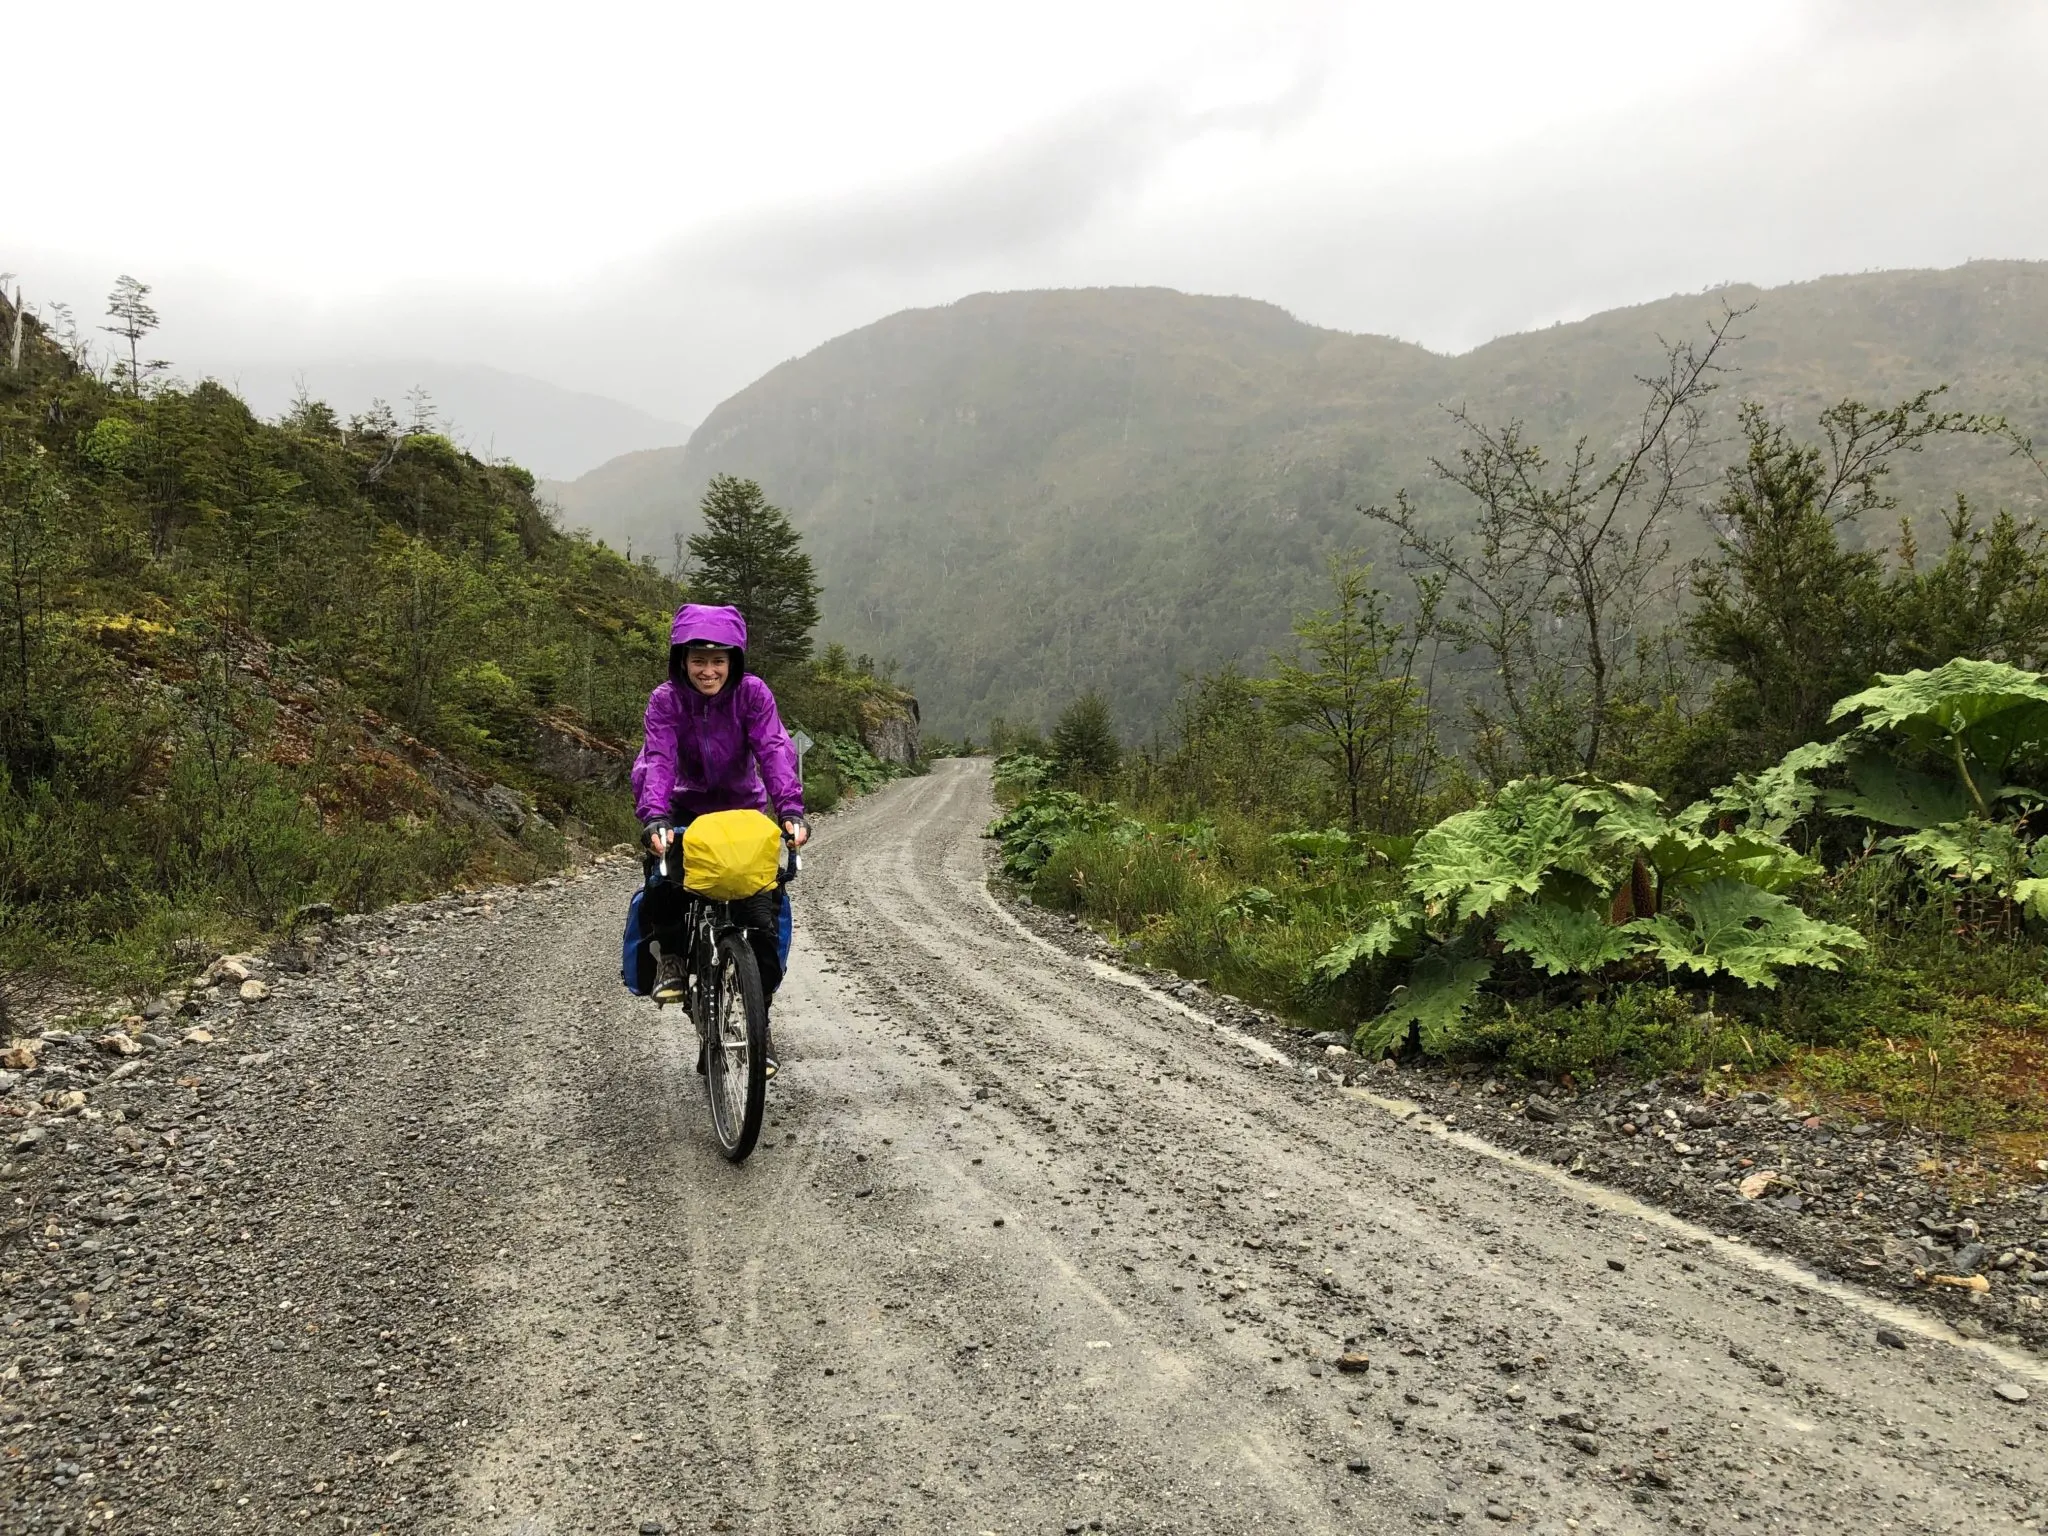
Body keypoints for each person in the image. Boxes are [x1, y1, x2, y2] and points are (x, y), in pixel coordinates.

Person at [631, 603, 809, 1073]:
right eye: (697, 660)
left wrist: (790, 811)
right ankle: (671, 958)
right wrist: (655, 817)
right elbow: (659, 759)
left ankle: (758, 1020)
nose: (708, 671)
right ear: (681, 660)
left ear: (734, 661)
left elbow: (773, 749)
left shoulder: (752, 695)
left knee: (761, 917)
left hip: (741, 810)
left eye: (718, 660)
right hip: (683, 807)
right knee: (665, 881)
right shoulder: (666, 701)